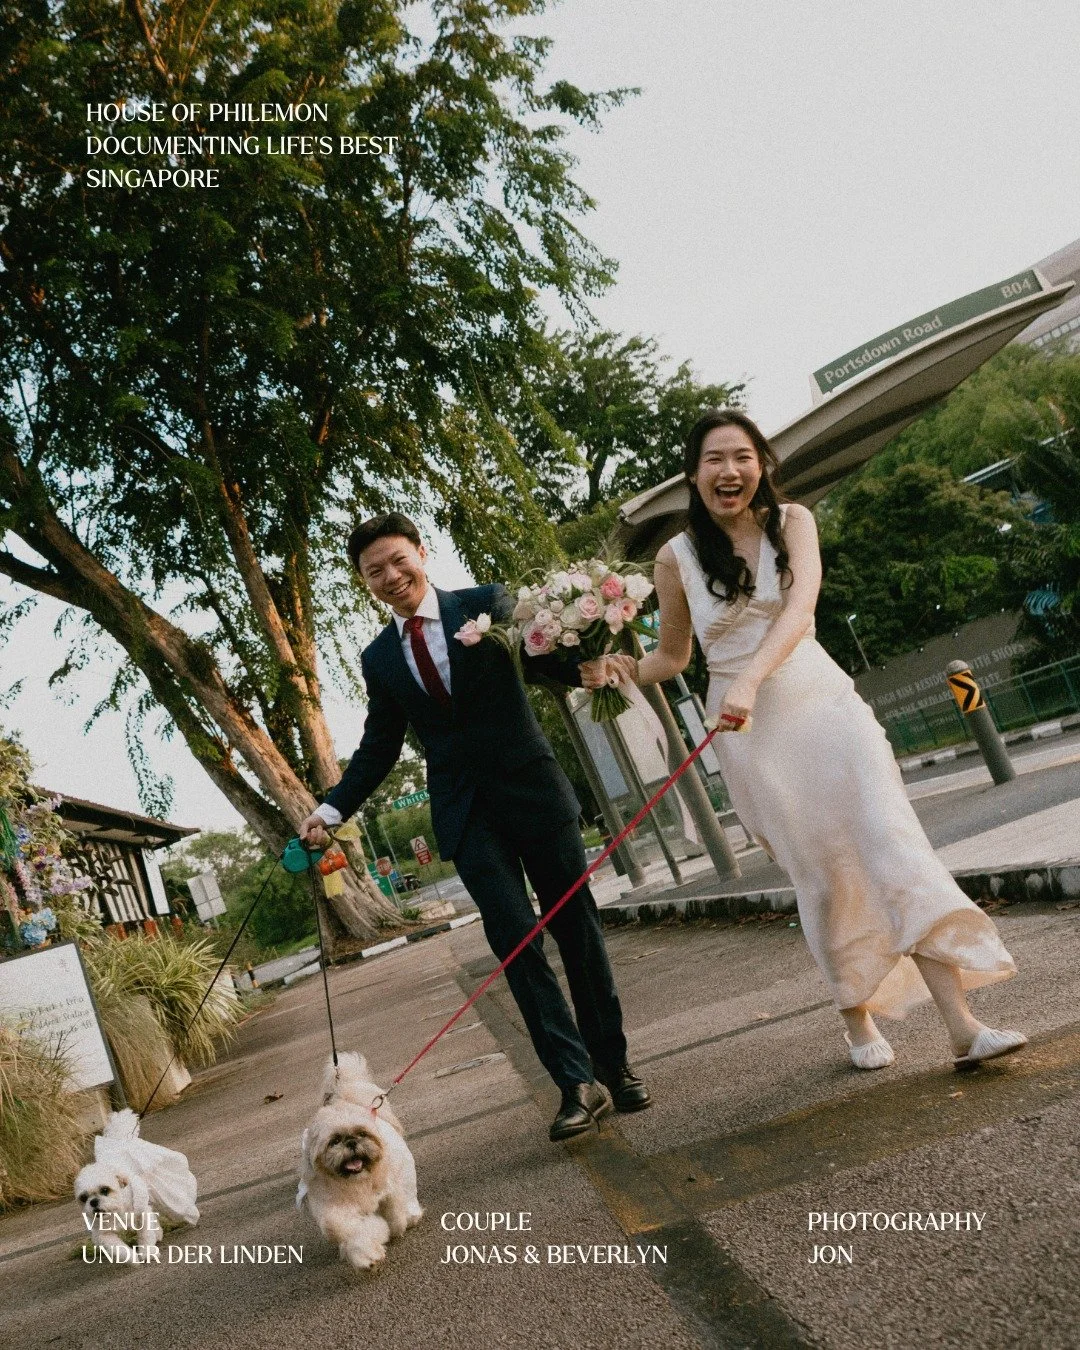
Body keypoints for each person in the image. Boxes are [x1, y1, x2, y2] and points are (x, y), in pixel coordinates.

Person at [585, 409, 1026, 1072]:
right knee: (821, 876)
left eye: (742, 456)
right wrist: (618, 669)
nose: (730, 471)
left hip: (822, 705)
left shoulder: (793, 522)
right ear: (693, 475)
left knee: (891, 842)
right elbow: (672, 658)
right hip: (752, 737)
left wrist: (749, 678)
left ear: (760, 464)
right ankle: (856, 1016)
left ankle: (962, 1027)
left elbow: (799, 610)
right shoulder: (674, 559)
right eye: (714, 459)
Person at [299, 512, 651, 1140]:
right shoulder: (379, 657)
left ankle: (613, 1065)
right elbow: (380, 744)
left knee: (577, 928)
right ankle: (575, 1084)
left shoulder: (487, 604)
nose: (391, 576)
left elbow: (544, 660)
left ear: (421, 553)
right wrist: (330, 811)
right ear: (364, 582)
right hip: (465, 813)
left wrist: (589, 661)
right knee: (515, 941)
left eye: (398, 560)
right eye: (374, 571)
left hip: (533, 790)